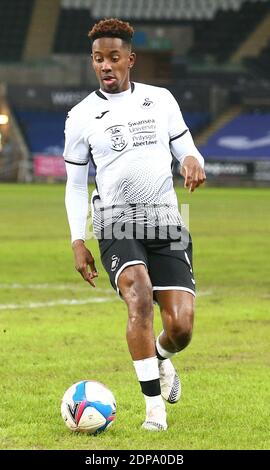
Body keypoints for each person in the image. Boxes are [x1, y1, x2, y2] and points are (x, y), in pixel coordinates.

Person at [63, 18, 206, 431]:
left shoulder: (160, 100)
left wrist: (194, 160)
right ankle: (154, 414)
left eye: (112, 57)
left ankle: (161, 357)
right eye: (97, 59)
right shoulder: (81, 117)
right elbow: (75, 184)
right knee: (139, 296)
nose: (105, 66)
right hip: (116, 221)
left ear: (130, 59)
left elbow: (186, 148)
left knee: (180, 328)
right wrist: (78, 240)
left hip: (165, 220)